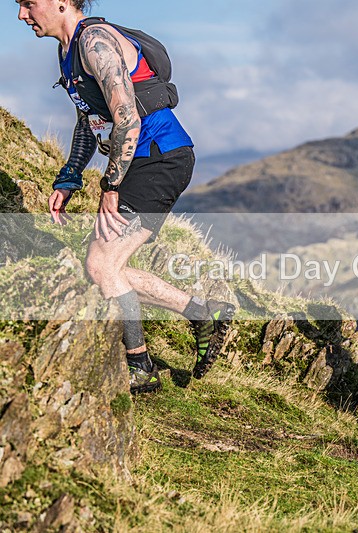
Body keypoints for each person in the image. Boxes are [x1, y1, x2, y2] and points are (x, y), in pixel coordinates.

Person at [17, 0, 235, 393]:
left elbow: (128, 117)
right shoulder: (67, 50)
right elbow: (89, 119)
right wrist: (69, 177)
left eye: (29, 4)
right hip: (141, 160)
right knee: (103, 265)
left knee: (102, 264)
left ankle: (141, 367)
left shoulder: (95, 41)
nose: (22, 15)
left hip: (160, 157)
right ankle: (203, 315)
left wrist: (111, 187)